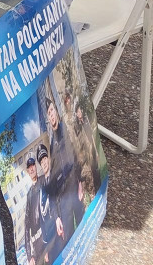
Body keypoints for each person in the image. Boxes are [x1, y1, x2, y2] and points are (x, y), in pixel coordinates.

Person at [45, 96, 86, 238]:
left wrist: (80, 182)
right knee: (69, 237)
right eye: (48, 114)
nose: (52, 115)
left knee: (82, 224)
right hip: (63, 199)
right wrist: (56, 216)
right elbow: (52, 182)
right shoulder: (51, 147)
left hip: (74, 187)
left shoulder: (66, 131)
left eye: (52, 111)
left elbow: (76, 155)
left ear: (56, 111)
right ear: (48, 119)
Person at [23, 153, 43, 265]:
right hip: (37, 246)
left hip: (48, 236)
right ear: (27, 171)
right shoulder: (29, 195)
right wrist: (29, 255)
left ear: (36, 167)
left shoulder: (44, 181)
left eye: (33, 166)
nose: (31, 169)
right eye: (29, 167)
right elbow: (26, 227)